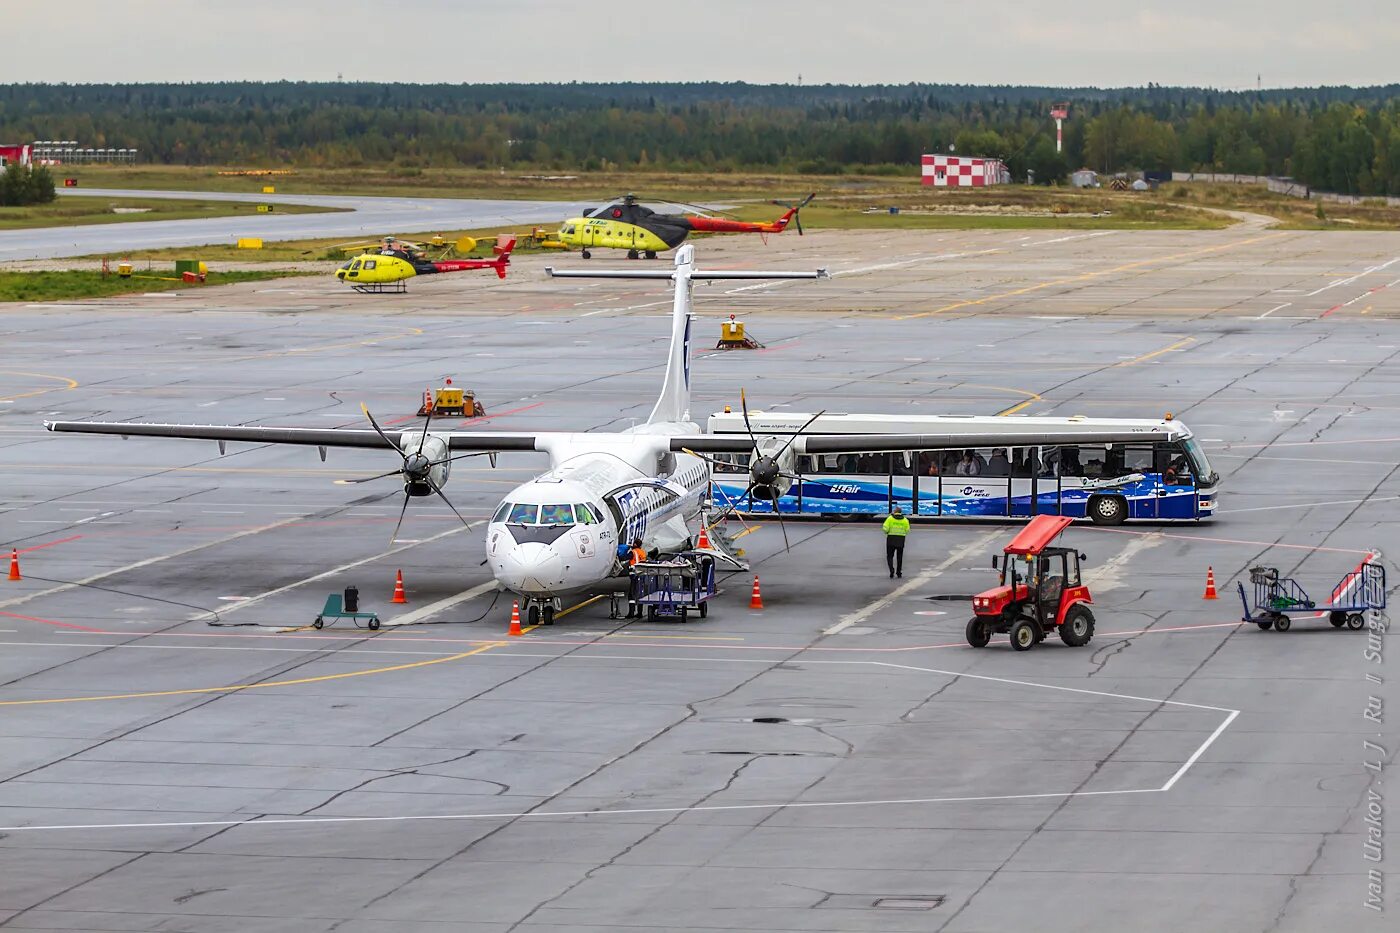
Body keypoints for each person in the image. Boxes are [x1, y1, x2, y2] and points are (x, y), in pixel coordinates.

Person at [882, 506, 910, 578]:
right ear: (901, 512)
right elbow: (907, 530)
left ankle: (891, 570)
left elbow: (885, 528)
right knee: (899, 557)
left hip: (891, 539)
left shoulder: (890, 519)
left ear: (894, 512)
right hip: (901, 539)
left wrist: (887, 532)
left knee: (890, 556)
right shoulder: (905, 520)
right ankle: (899, 572)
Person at [625, 539, 648, 618]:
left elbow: (624, 557)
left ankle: (631, 613)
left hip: (634, 575)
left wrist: (627, 549)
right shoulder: (642, 552)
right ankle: (640, 613)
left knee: (631, 594)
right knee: (640, 593)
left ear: (635, 544)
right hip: (642, 574)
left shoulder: (633, 552)